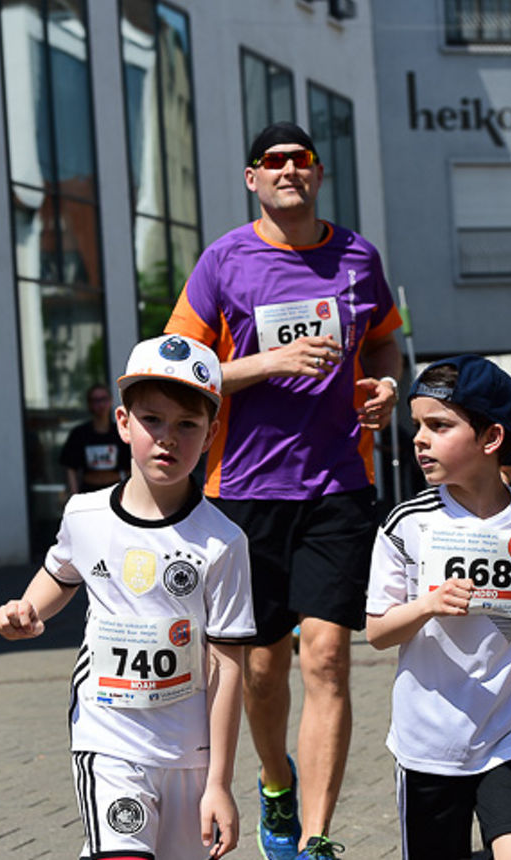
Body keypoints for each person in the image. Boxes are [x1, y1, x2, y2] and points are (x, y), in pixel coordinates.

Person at [165, 121, 403, 859]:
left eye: (302, 161)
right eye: (274, 163)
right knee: (263, 670)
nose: (289, 171)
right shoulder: (224, 260)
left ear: (319, 174)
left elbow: (386, 338)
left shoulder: (357, 256)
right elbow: (179, 368)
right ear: (252, 178)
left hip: (338, 484)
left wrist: (387, 383)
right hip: (244, 490)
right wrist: (271, 363)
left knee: (328, 656)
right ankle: (274, 782)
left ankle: (317, 835)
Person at [0, 334, 254, 860]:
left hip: (188, 750)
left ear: (210, 435)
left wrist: (220, 781)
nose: (167, 439)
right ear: (123, 422)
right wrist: (26, 609)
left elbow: (227, 668)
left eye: (186, 425)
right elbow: (60, 575)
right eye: (152, 420)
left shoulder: (224, 542)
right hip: (107, 737)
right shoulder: (84, 514)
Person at [366, 355, 511, 860]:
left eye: (439, 426)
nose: (419, 438)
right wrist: (427, 606)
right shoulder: (406, 523)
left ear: (491, 439)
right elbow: (377, 631)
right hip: (430, 742)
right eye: (417, 425)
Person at [60, 382, 132, 496]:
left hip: (117, 491)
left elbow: (133, 464)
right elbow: (70, 466)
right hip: (88, 491)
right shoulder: (79, 434)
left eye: (104, 399)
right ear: (89, 404)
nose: (101, 405)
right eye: (96, 400)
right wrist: (74, 494)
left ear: (111, 401)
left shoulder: (121, 431)